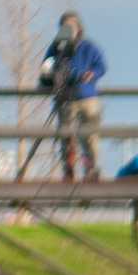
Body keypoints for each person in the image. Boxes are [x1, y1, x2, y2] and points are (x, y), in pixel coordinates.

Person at [37, 11, 107, 182]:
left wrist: (91, 74)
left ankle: (91, 169)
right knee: (66, 136)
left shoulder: (89, 47)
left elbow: (102, 66)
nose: (68, 30)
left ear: (79, 29)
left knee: (89, 137)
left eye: (71, 27)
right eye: (64, 27)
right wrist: (51, 76)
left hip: (86, 97)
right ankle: (68, 169)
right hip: (65, 98)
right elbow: (46, 69)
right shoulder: (56, 48)